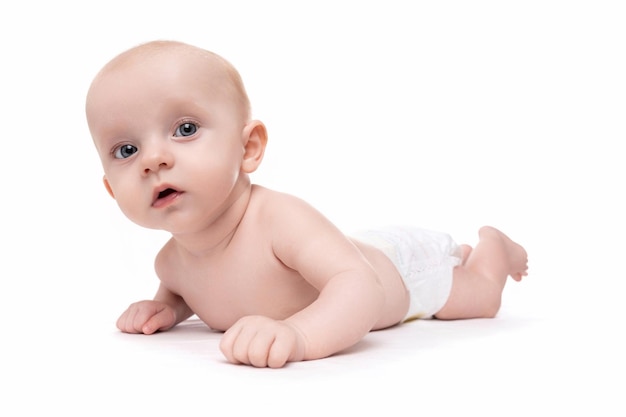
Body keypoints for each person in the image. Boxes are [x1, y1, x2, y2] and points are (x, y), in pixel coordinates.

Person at [85, 40, 528, 368]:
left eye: (184, 129)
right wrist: (169, 308)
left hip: (404, 273)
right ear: (111, 189)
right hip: (347, 248)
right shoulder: (172, 265)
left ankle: (492, 249)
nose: (154, 160)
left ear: (249, 148)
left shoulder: (278, 220)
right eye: (126, 150)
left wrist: (299, 335)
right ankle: (467, 258)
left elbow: (360, 286)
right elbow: (191, 289)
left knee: (479, 298)